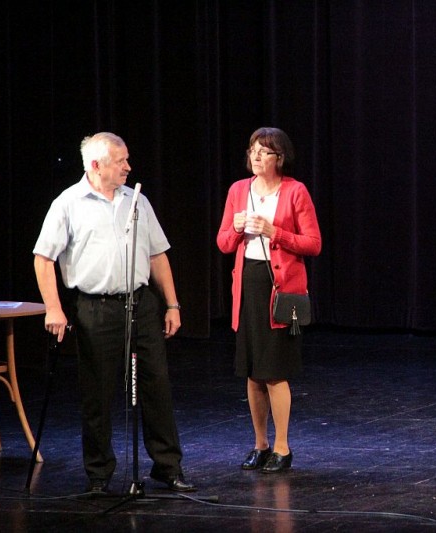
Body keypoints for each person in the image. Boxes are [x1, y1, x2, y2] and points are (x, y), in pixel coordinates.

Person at [33, 132, 195, 494]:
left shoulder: (136, 200)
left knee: (156, 385)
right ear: (96, 165)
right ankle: (99, 474)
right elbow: (43, 258)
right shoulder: (68, 203)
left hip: (140, 304)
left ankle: (168, 466)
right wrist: (53, 308)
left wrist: (172, 304)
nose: (128, 167)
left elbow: (157, 255)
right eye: (121, 161)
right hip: (95, 308)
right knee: (98, 392)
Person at [217, 127, 321, 473]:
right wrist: (236, 228)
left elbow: (313, 243)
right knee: (252, 373)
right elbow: (223, 243)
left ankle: (282, 447)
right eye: (253, 150)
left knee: (274, 372)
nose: (257, 156)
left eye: (264, 152)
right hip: (248, 285)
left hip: (280, 288)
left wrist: (274, 232)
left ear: (280, 157)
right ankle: (260, 444)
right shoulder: (238, 190)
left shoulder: (295, 191)